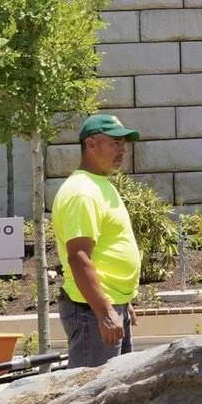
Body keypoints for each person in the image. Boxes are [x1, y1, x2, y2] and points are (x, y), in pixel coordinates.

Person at [51, 112, 142, 369]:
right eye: (114, 143)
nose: (122, 150)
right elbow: (79, 257)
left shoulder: (99, 184)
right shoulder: (82, 192)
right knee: (88, 397)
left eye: (123, 143)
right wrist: (105, 312)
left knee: (118, 393)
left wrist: (122, 303)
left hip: (109, 308)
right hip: (93, 313)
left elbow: (106, 249)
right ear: (91, 145)